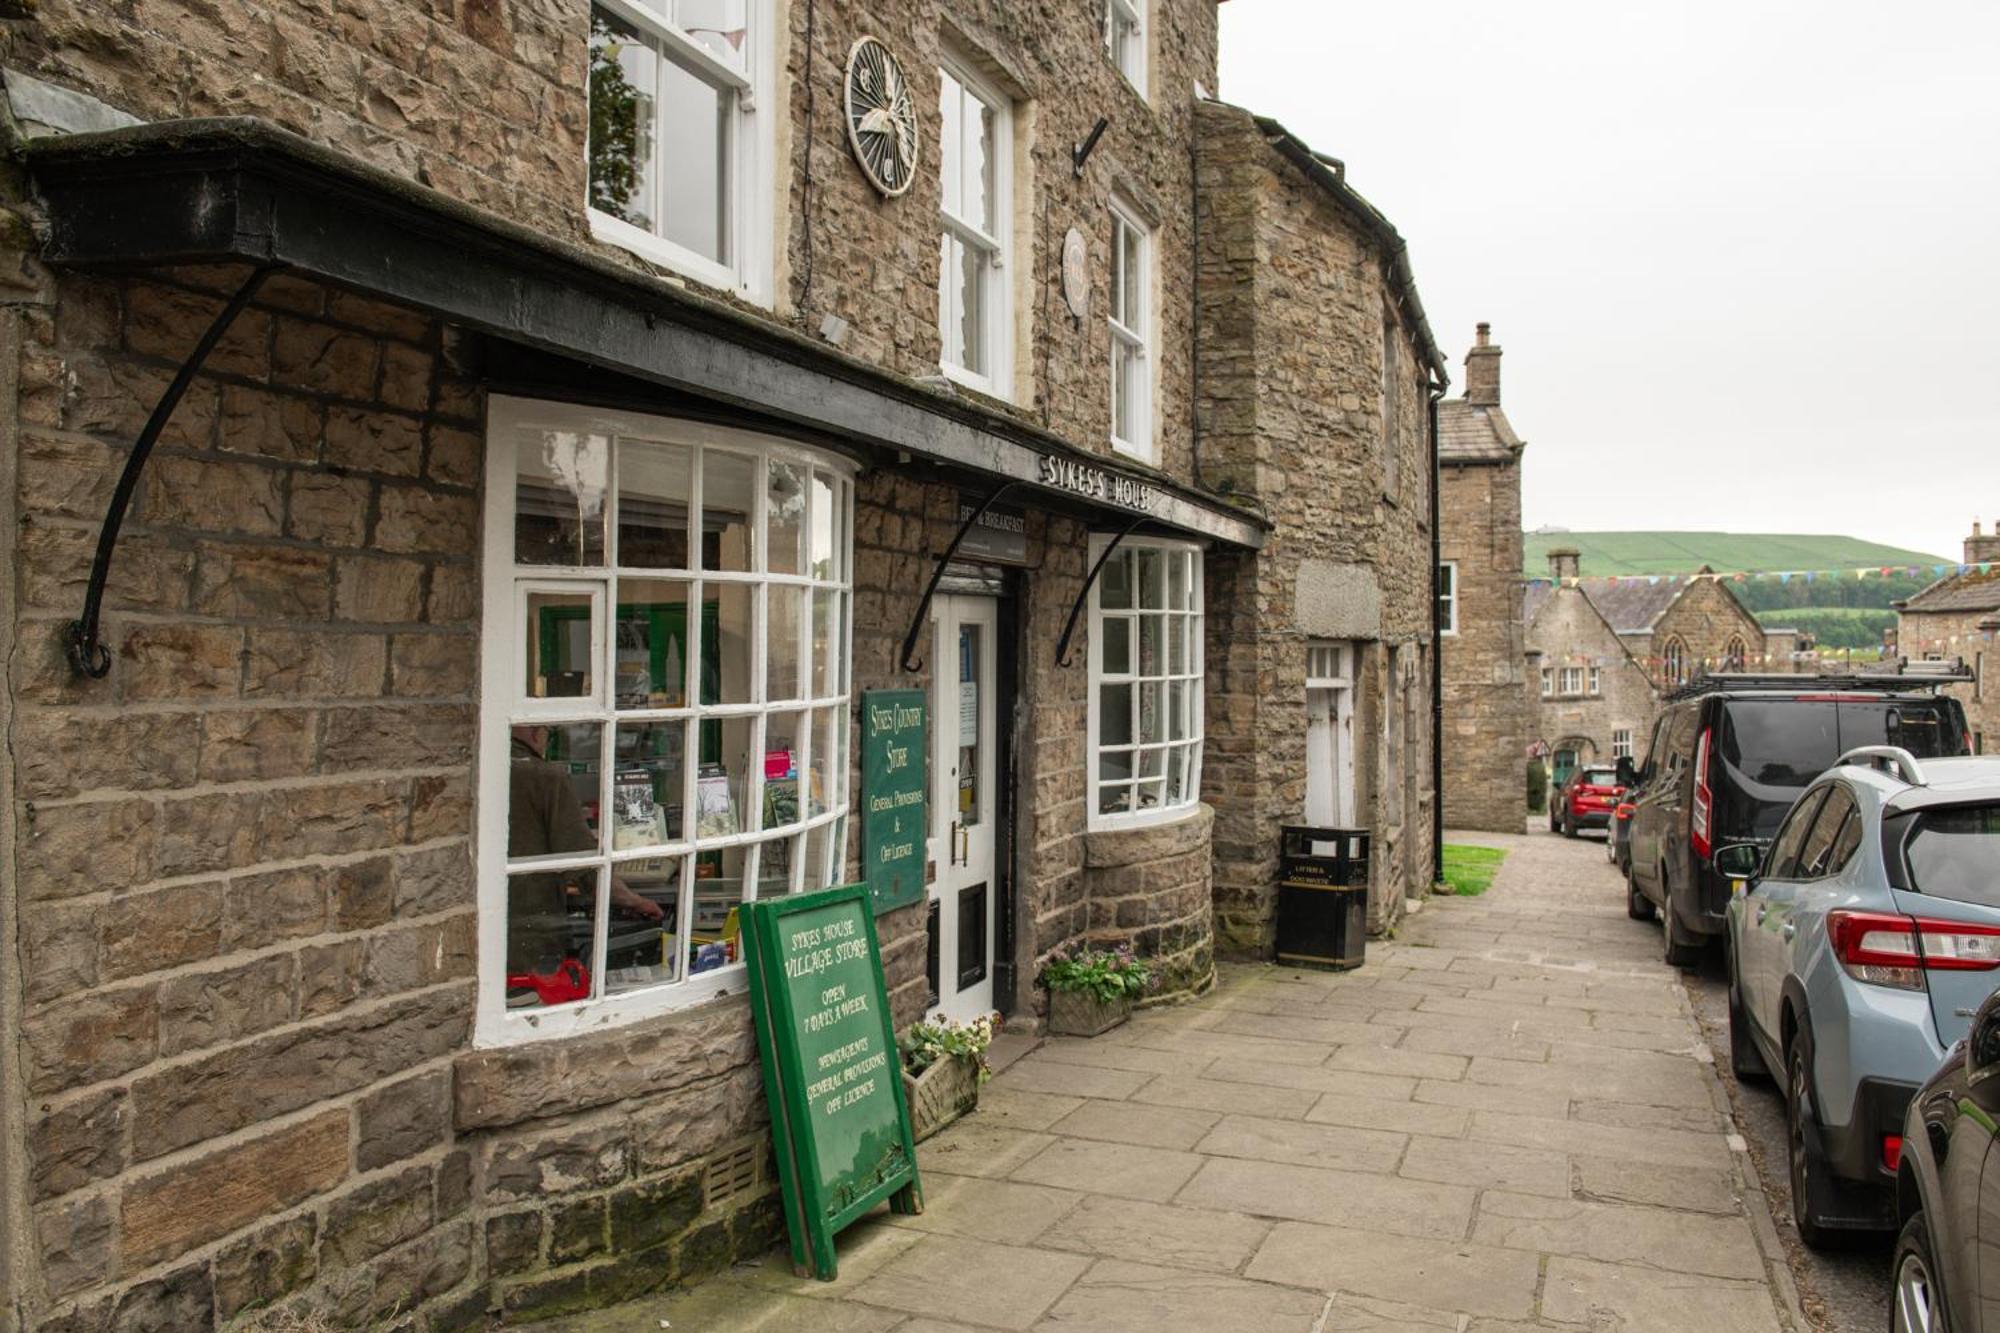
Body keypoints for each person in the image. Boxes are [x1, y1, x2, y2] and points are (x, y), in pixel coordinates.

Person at [508, 726, 664, 983]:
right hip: (533, 933)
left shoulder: (482, 767)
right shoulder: (545, 777)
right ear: (537, 733)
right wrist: (633, 901)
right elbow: (584, 863)